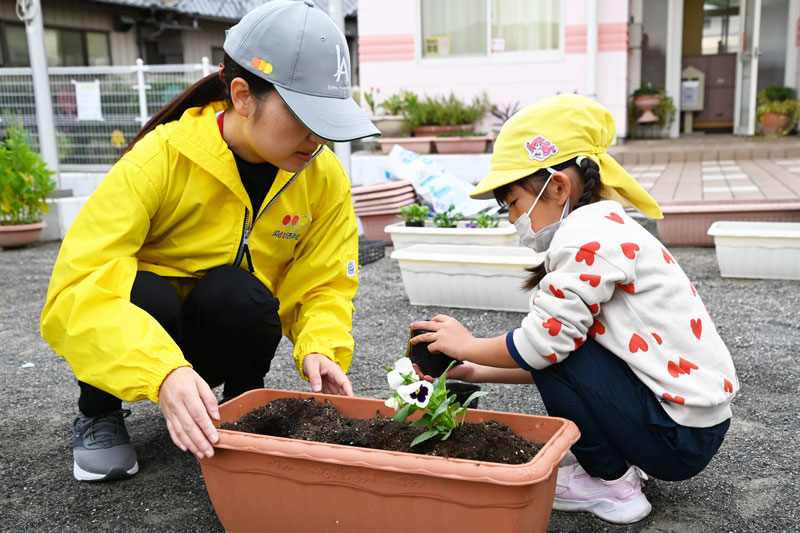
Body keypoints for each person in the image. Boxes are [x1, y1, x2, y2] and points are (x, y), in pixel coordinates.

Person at [40, 0, 379, 483]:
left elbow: (325, 281)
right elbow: (78, 288)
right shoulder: (159, 159)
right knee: (142, 290)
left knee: (239, 292)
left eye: (327, 122)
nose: (317, 139)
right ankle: (99, 412)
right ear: (242, 95)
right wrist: (161, 371)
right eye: (304, 116)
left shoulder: (322, 178)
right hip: (149, 337)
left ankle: (240, 409)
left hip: (219, 333)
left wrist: (320, 346)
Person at [410, 94, 738, 525]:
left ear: (559, 186)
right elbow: (568, 361)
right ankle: (618, 465)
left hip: (675, 434)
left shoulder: (587, 237)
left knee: (549, 341)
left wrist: (467, 345)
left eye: (512, 203)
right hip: (686, 425)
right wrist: (476, 369)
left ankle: (611, 485)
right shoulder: (605, 228)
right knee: (561, 344)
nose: (512, 219)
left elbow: (545, 349)